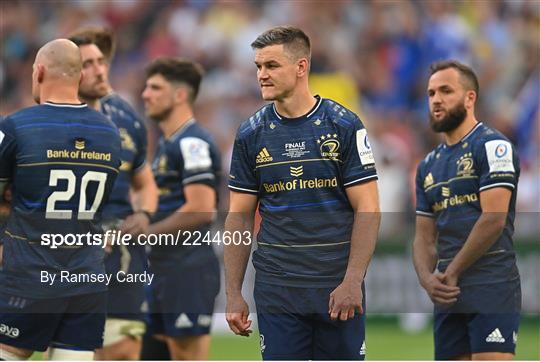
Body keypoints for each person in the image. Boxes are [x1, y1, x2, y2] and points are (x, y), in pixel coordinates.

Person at [224, 26, 380, 360]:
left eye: (271, 66)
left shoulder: (344, 125)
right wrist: (234, 292)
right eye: (258, 67)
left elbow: (368, 207)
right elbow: (238, 217)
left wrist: (353, 280)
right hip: (277, 287)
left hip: (335, 287)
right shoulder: (251, 133)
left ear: (301, 67)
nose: (262, 75)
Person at [0, 39, 121, 360]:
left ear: (38, 72)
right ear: (80, 77)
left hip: (28, 275)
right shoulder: (110, 133)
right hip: (86, 279)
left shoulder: (14, 127)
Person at [413, 60, 521, 360]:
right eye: (431, 92)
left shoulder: (493, 147)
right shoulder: (427, 165)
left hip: (491, 283)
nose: (436, 99)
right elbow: (423, 237)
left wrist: (452, 271)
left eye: (446, 90)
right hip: (449, 293)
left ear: (470, 98)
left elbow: (493, 219)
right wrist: (426, 278)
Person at [68, 27, 158, 361]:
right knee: (73, 348)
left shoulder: (127, 118)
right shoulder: (51, 120)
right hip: (69, 249)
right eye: (87, 64)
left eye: (101, 61)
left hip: (122, 247)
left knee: (125, 349)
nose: (99, 70)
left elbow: (145, 183)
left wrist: (144, 213)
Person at [140, 57, 221, 360]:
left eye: (155, 88)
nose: (145, 94)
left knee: (186, 356)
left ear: (180, 95)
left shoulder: (192, 142)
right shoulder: (166, 144)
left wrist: (147, 233)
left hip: (187, 269)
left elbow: (202, 209)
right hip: (161, 268)